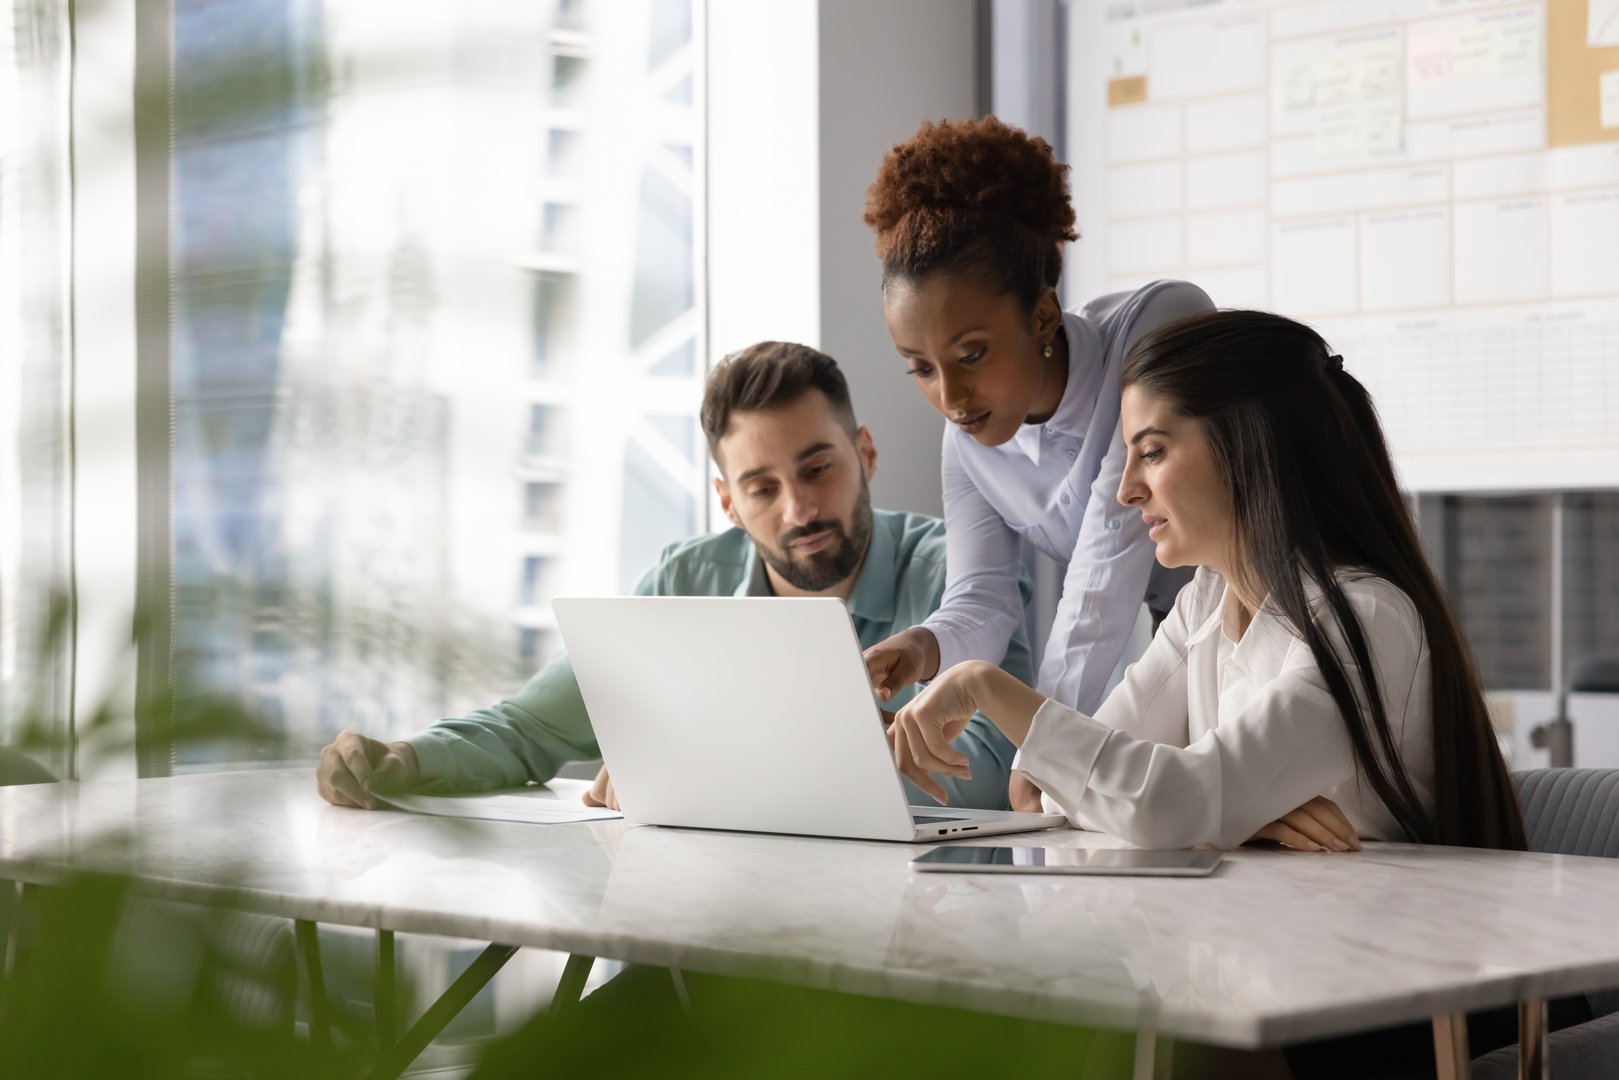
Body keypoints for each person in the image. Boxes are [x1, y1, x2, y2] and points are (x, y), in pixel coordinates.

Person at [889, 308, 1526, 853]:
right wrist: (1238, 819)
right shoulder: (1205, 603)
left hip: (1387, 975)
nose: (1125, 488)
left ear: (1249, 447)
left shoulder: (1365, 616)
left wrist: (982, 684)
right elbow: (1044, 792)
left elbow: (1169, 802)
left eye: (1154, 451)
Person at [315, 341, 1032, 813]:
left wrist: (695, 774)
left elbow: (994, 774)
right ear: (727, 500)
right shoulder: (688, 579)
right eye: (761, 487)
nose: (801, 507)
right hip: (724, 938)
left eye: (818, 467)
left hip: (923, 952)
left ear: (864, 454)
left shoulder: (963, 576)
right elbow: (531, 728)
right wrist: (404, 759)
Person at [858, 117, 1213, 813]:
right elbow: (983, 597)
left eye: (971, 354)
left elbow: (1106, 565)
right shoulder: (969, 445)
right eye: (920, 370)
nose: (950, 398)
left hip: (1289, 620)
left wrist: (1040, 742)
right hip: (1186, 639)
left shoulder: (1154, 326)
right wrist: (923, 647)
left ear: (1044, 315)